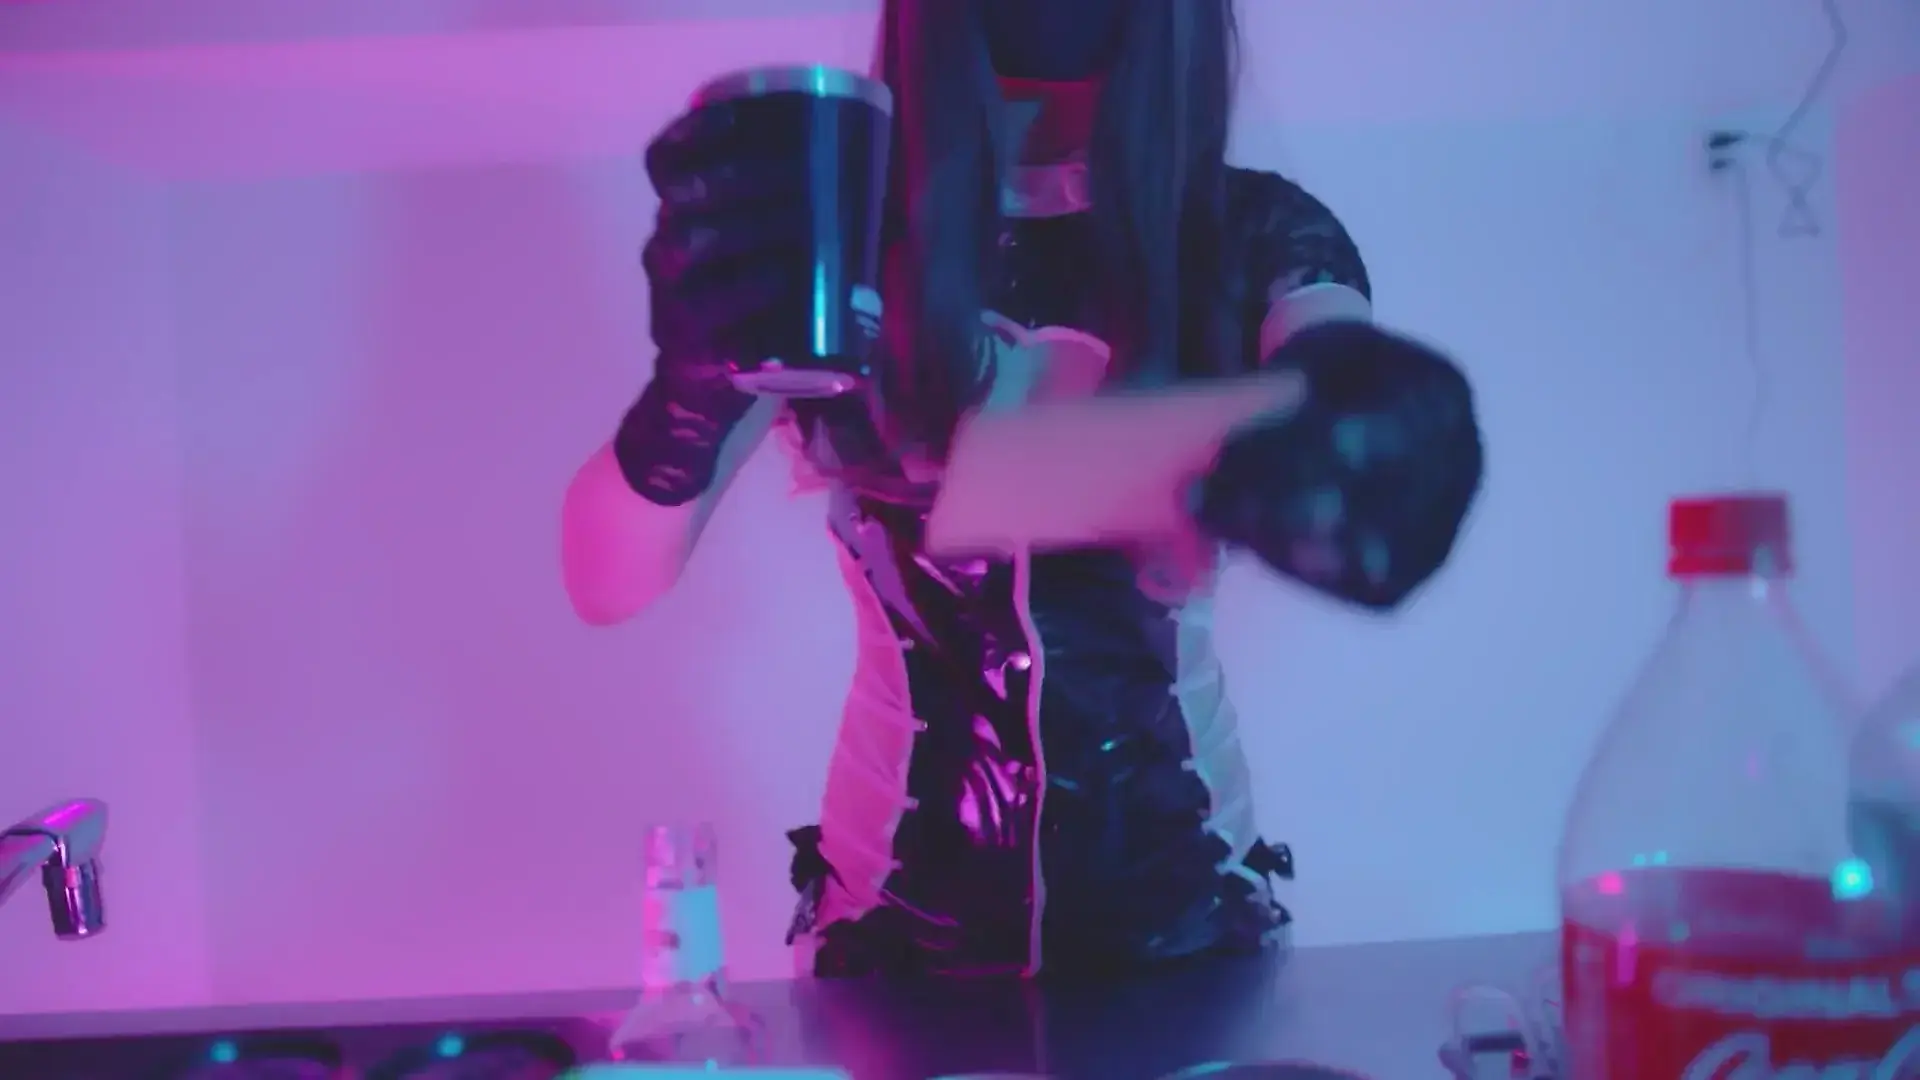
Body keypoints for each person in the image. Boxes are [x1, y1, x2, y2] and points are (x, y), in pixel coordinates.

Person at [561, 0, 1484, 978]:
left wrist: (1368, 418)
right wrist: (685, 398)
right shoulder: (842, 232)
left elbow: (1341, 379)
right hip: (892, 936)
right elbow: (606, 582)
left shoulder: (1252, 234)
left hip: (1188, 927)